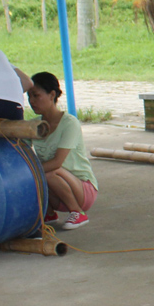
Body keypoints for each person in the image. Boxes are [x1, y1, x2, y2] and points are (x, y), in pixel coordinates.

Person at [27, 72, 97, 231]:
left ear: (52, 95)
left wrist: (28, 171)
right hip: (57, 193)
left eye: (36, 95)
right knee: (36, 175)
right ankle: (49, 212)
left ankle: (78, 212)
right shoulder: (33, 125)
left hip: (82, 190)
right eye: (29, 96)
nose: (31, 101)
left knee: (49, 171)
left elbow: (57, 162)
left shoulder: (69, 123)